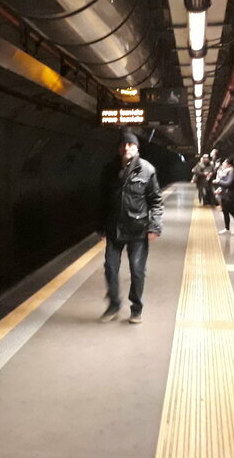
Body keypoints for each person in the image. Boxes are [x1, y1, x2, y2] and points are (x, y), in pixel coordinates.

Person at [97, 131, 164, 324]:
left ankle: (136, 308)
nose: (126, 148)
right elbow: (102, 200)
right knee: (110, 268)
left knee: (137, 270)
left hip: (137, 229)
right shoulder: (109, 169)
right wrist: (100, 225)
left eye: (130, 144)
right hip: (113, 228)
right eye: (123, 144)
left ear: (137, 148)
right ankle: (114, 304)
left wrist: (155, 226)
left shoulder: (147, 170)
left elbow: (156, 201)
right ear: (119, 148)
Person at [213, 159, 234, 233]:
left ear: (229, 165)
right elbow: (226, 185)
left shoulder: (232, 172)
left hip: (230, 196)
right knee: (227, 212)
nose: (223, 163)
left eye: (224, 162)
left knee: (231, 212)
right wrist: (220, 189)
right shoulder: (227, 172)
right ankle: (229, 228)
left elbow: (228, 183)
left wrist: (218, 181)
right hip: (226, 194)